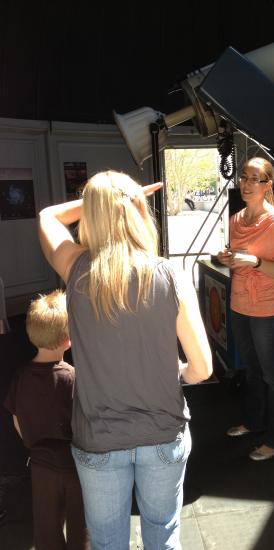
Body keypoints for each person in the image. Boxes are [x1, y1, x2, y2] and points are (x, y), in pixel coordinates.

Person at [37, 170, 212, 550]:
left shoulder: (75, 268)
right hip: (163, 436)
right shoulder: (172, 276)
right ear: (136, 211)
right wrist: (176, 373)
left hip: (98, 440)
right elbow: (202, 369)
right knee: (162, 535)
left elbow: (48, 216)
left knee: (106, 543)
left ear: (92, 214)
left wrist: (103, 201)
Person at [217, 157, 274, 461]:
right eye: (244, 178)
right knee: (253, 371)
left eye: (254, 179)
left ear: (267, 185)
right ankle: (255, 422)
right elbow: (237, 255)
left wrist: (256, 262)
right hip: (240, 303)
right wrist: (228, 257)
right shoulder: (236, 219)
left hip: (267, 309)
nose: (247, 184)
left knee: (273, 375)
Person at [3, 289, 89, 550]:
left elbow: (17, 419)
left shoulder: (21, 376)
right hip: (74, 465)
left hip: (40, 463)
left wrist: (32, 442)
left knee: (46, 526)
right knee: (80, 525)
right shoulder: (73, 377)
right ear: (68, 339)